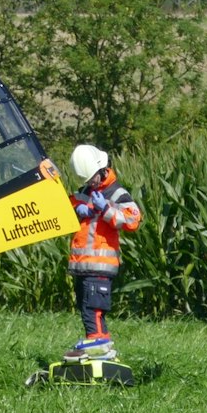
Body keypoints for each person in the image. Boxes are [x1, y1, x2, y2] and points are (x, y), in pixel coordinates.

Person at [65, 144, 143, 361]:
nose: (91, 184)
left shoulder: (117, 193)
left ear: (101, 169)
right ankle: (103, 353)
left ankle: (98, 350)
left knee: (93, 311)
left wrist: (107, 209)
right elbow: (65, 214)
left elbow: (133, 220)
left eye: (93, 179)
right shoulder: (83, 193)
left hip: (100, 266)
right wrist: (76, 212)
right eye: (87, 181)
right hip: (82, 266)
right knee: (89, 312)